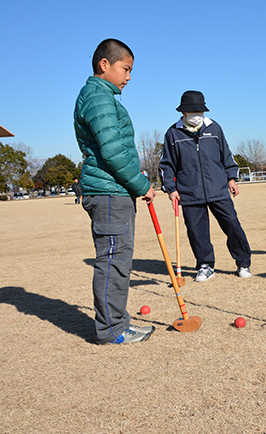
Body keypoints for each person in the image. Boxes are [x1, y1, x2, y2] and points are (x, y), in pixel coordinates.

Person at [74, 39, 156, 344]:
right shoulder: (98, 98)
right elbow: (112, 152)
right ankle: (112, 330)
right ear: (104, 65)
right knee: (113, 259)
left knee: (119, 259)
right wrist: (141, 185)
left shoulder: (102, 97)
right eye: (126, 68)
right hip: (109, 192)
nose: (129, 76)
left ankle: (118, 322)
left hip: (115, 191)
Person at [159, 91, 252, 282]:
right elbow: (166, 165)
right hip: (189, 192)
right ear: (183, 112)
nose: (196, 114)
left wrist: (231, 178)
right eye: (192, 110)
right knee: (197, 232)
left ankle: (243, 263)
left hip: (218, 188)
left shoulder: (214, 128)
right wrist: (171, 189)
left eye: (199, 110)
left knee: (233, 225)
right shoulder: (173, 134)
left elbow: (227, 155)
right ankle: (205, 265)